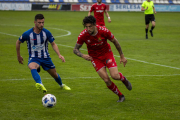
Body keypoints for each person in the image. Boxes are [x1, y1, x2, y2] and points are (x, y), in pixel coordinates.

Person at [73, 15, 132, 102]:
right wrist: (83, 55)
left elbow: (115, 41)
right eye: (86, 27)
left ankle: (124, 79)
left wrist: (122, 56)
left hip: (107, 54)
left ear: (94, 25)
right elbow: (75, 49)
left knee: (114, 76)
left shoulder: (104, 31)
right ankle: (120, 96)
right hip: (95, 58)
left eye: (90, 26)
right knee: (106, 80)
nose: (88, 29)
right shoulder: (83, 35)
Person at [16, 14, 71, 93]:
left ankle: (62, 85)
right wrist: (18, 56)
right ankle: (40, 84)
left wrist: (59, 54)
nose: (41, 24)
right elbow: (18, 42)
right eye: (39, 22)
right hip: (34, 57)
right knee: (32, 66)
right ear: (35, 22)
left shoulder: (46, 32)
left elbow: (53, 44)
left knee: (54, 74)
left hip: (45, 57)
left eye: (43, 22)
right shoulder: (28, 34)